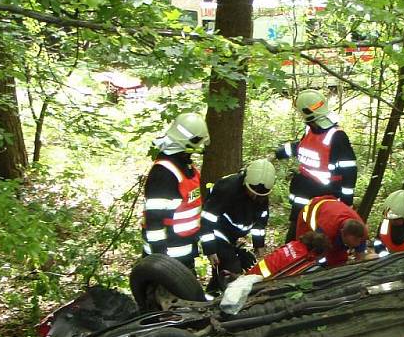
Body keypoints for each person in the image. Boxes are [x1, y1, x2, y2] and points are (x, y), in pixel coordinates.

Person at [273, 89, 358, 241]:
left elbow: (349, 171)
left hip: (325, 196)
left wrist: (346, 202)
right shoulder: (310, 130)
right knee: (295, 234)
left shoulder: (337, 136)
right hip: (303, 193)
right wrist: (280, 152)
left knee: (322, 237)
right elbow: (302, 146)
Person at [142, 112, 209, 267]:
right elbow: (154, 222)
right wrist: (161, 261)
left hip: (183, 253)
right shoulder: (164, 174)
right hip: (165, 261)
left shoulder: (186, 166)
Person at [200, 159, 276, 292]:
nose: (254, 197)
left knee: (248, 264)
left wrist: (259, 245)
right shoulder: (227, 189)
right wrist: (210, 249)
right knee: (231, 269)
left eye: (259, 196)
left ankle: (212, 294)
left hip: (234, 236)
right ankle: (228, 303)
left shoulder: (261, 195)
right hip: (218, 231)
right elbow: (207, 220)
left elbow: (260, 221)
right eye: (252, 192)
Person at [295, 195, 368, 267]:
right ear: (343, 233)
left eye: (359, 240)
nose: (358, 244)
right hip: (311, 211)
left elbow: (360, 258)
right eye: (355, 240)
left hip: (333, 208)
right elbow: (317, 252)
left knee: (339, 260)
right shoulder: (326, 231)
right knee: (304, 253)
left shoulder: (361, 232)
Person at [246, 232, 331, 279]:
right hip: (260, 283)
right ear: (316, 251)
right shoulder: (304, 260)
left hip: (251, 274)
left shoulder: (293, 244)